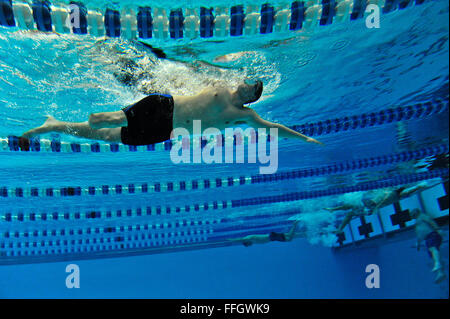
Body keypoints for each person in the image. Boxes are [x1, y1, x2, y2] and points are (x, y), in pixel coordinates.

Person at [21, 80, 322, 147]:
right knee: (105, 120)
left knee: (107, 137)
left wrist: (303, 137)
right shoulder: (217, 83)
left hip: (164, 131)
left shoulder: (245, 117)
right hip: (162, 107)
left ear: (253, 98)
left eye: (253, 91)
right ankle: (63, 119)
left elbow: (274, 127)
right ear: (240, 81)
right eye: (248, 83)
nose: (246, 89)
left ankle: (54, 125)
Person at [326, 181, 440, 233]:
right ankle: (421, 185)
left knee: (405, 192)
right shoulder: (378, 198)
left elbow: (351, 209)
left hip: (384, 199)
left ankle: (334, 213)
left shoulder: (376, 200)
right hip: (385, 198)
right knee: (405, 192)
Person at [410, 208, 446, 284]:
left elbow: (431, 221)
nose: (412, 215)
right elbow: (420, 234)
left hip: (432, 235)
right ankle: (440, 272)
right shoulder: (417, 223)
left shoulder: (422, 216)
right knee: (433, 254)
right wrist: (418, 242)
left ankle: (438, 265)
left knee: (433, 249)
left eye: (413, 213)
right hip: (427, 238)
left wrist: (438, 229)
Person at [229, 220, 299, 247]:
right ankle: (294, 225)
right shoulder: (251, 239)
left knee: (289, 239)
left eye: (248, 244)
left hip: (272, 237)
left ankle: (294, 224)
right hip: (272, 236)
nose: (251, 245)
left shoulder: (249, 238)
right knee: (289, 236)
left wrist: (232, 240)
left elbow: (241, 239)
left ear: (246, 242)